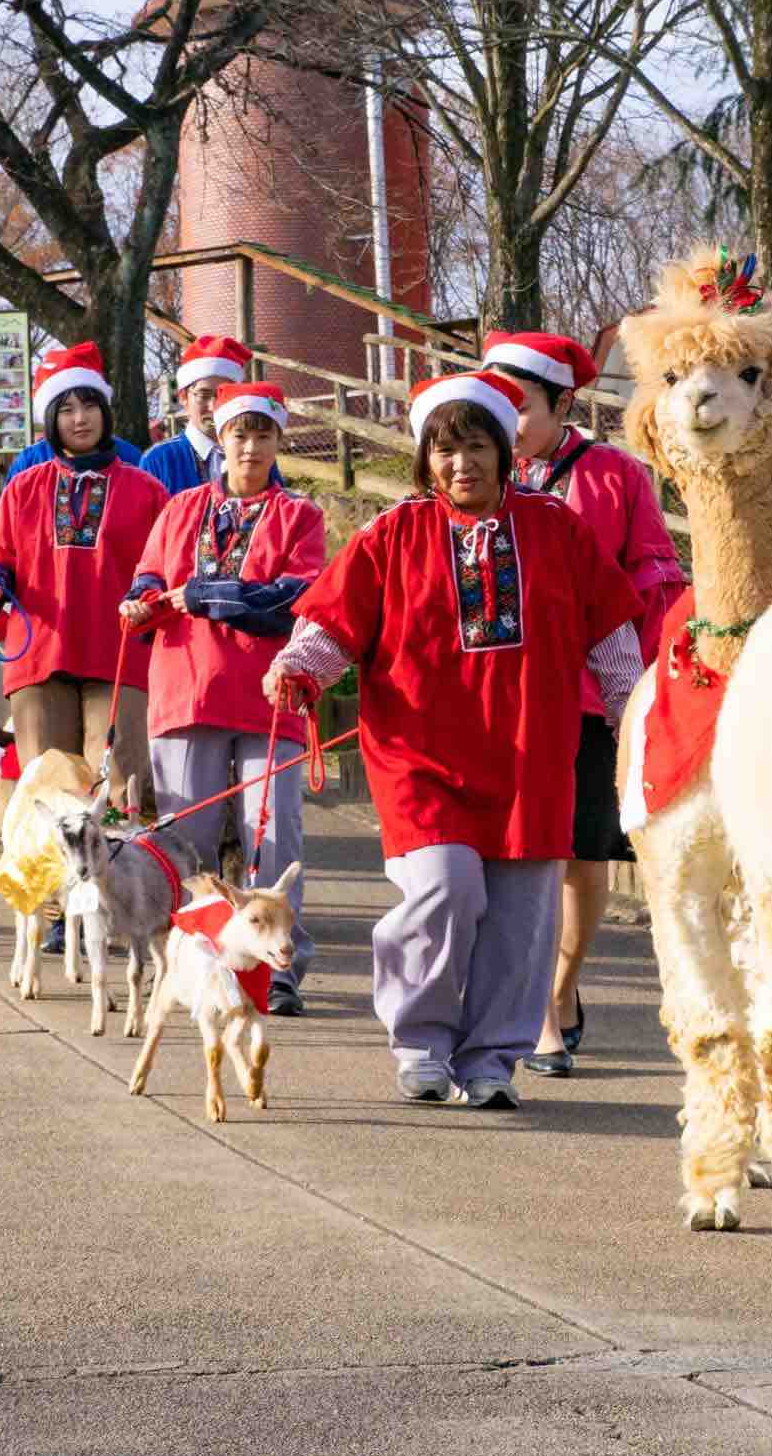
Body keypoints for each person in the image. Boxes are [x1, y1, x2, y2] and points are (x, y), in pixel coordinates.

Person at [261, 371, 642, 1110]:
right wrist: (298, 671)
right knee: (441, 890)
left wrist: (635, 714)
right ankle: (421, 1042)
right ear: (424, 460)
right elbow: (332, 625)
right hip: (421, 754)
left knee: (521, 918)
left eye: (474, 446)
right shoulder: (392, 533)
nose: (460, 463)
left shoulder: (559, 529)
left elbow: (612, 636)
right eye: (444, 450)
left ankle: (492, 1059)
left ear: (503, 452)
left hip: (532, 754)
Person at [477, 329, 684, 1079]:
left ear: (563, 403)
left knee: (581, 854)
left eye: (520, 405)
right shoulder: (478, 472)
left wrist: (650, 683)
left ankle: (560, 991)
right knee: (520, 852)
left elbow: (653, 579)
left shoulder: (615, 476)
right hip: (498, 698)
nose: (505, 422)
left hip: (595, 696)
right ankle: (531, 1011)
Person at [124, 380, 327, 1012]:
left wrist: (210, 597)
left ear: (277, 441)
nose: (249, 445)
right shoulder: (180, 508)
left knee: (274, 835)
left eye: (262, 433)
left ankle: (281, 965)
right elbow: (152, 575)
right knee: (191, 843)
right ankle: (201, 958)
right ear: (220, 435)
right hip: (187, 691)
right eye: (239, 432)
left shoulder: (301, 515)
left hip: (271, 698)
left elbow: (296, 600)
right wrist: (143, 600)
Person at [0, 343, 170, 817]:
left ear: (104, 411)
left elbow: (165, 562)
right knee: (46, 787)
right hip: (41, 651)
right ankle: (48, 891)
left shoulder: (146, 489)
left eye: (88, 406)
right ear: (51, 420)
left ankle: (121, 888)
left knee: (119, 784)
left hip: (119, 650)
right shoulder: (24, 486)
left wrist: (150, 597)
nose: (79, 419)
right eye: (66, 409)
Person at [140, 335, 264, 496]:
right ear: (183, 397)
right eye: (203, 395)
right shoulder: (159, 460)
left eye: (223, 394)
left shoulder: (256, 455)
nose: (213, 406)